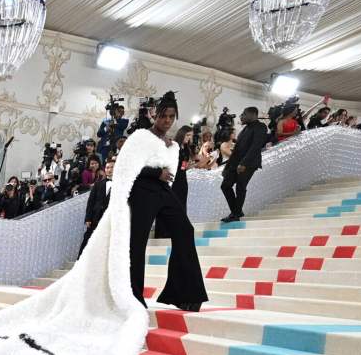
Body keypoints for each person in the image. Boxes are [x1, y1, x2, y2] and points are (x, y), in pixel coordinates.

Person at [125, 91, 208, 312]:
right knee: (137, 243)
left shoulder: (171, 143)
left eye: (172, 117)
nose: (168, 121)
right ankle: (133, 297)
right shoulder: (141, 136)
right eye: (164, 116)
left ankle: (184, 294)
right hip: (142, 191)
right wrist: (155, 173)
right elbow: (128, 164)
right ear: (155, 115)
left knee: (185, 230)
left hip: (163, 191)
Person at [221, 106, 269, 223]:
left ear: (252, 115)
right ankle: (237, 211)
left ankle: (235, 214)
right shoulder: (244, 129)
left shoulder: (261, 127)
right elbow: (236, 150)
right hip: (236, 163)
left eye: (244, 114)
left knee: (240, 187)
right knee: (225, 186)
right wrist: (227, 168)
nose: (241, 116)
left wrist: (244, 163)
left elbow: (255, 146)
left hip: (249, 163)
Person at [79, 158, 113, 257]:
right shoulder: (98, 184)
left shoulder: (122, 185)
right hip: (95, 218)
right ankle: (79, 262)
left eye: (112, 167)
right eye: (107, 167)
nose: (109, 170)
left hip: (110, 219)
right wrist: (88, 218)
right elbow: (91, 202)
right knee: (87, 240)